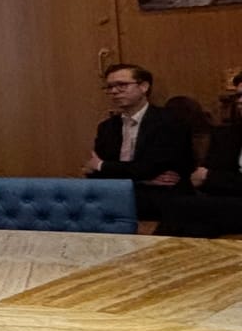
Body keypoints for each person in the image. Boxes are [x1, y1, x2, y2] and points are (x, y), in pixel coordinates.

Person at [84, 62, 196, 221]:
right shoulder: (107, 127)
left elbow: (150, 167)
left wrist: (102, 165)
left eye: (121, 85)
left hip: (162, 197)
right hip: (119, 195)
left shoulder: (170, 121)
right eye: (109, 87)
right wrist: (141, 179)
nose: (114, 91)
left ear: (143, 87)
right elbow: (96, 175)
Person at [157, 68, 242, 239]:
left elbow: (207, 176)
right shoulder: (227, 135)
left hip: (229, 203)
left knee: (182, 207)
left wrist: (213, 177)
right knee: (196, 227)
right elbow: (200, 179)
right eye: (238, 96)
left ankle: (141, 260)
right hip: (227, 202)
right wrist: (214, 179)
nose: (240, 102)